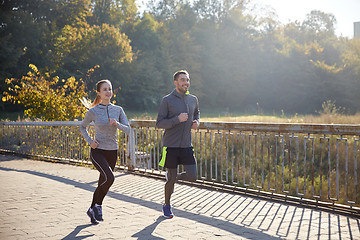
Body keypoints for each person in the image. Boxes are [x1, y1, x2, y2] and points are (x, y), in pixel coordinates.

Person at [80, 79, 130, 224]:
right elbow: (82, 127)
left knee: (104, 181)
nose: (108, 92)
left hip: (112, 151)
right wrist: (90, 141)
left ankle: (92, 209)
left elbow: (128, 129)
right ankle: (99, 206)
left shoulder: (118, 110)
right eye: (105, 89)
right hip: (98, 151)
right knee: (110, 178)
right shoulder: (93, 111)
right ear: (99, 93)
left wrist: (117, 124)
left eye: (110, 89)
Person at [156, 70, 200, 218]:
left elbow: (197, 113)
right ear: (176, 83)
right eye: (182, 80)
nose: (186, 83)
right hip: (171, 146)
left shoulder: (193, 99)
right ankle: (167, 205)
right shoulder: (167, 100)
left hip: (187, 144)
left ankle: (172, 177)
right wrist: (177, 119)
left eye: (187, 80)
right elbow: (159, 123)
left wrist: (196, 122)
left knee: (192, 176)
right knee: (171, 180)